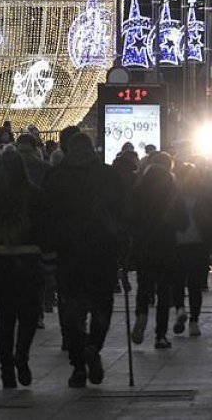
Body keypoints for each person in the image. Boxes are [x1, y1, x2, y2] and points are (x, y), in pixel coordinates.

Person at [44, 132, 126, 388]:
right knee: (103, 305)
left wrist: (49, 250)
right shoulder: (108, 175)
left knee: (72, 312)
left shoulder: (57, 177)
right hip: (102, 253)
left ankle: (78, 365)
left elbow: (48, 217)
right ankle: (94, 345)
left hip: (69, 255)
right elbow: (122, 212)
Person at [0, 151, 50, 388]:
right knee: (28, 315)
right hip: (28, 261)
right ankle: (22, 356)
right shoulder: (35, 195)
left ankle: (6, 369)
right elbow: (44, 228)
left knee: (4, 319)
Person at [130, 151, 185, 350]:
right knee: (164, 291)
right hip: (166, 246)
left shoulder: (139, 190)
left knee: (144, 285)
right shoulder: (172, 192)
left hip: (144, 246)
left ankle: (142, 313)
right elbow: (183, 222)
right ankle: (160, 335)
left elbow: (131, 218)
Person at [170, 162, 212, 338]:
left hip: (181, 244)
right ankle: (193, 319)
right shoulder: (203, 196)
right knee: (193, 284)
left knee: (181, 282)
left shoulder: (174, 196)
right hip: (196, 243)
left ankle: (182, 310)